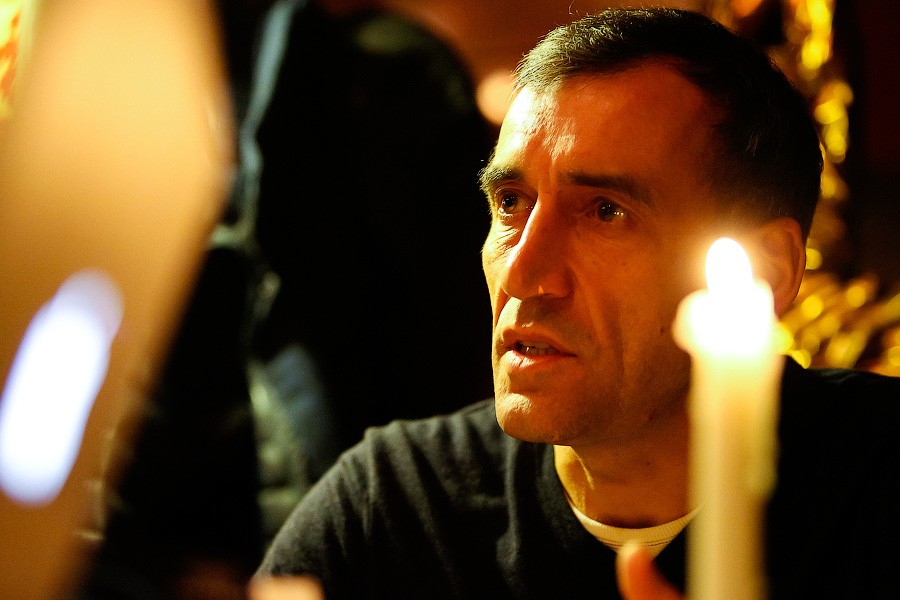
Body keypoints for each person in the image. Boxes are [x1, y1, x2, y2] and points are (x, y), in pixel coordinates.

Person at [256, 7, 900, 599]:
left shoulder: (878, 481)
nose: (524, 272)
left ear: (764, 273)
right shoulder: (395, 510)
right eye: (511, 203)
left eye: (605, 211)